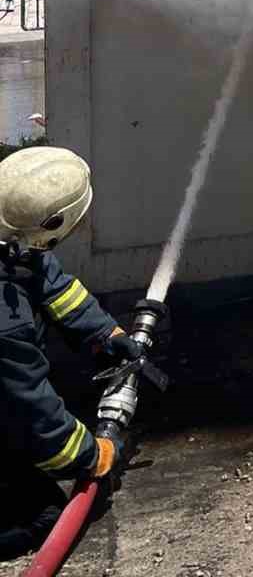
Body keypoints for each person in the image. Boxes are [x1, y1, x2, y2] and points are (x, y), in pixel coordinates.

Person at [0, 148, 154, 558]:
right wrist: (93, 455)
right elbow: (29, 407)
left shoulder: (11, 240)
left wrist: (106, 334)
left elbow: (51, 283)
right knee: (44, 517)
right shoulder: (4, 320)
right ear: (48, 227)